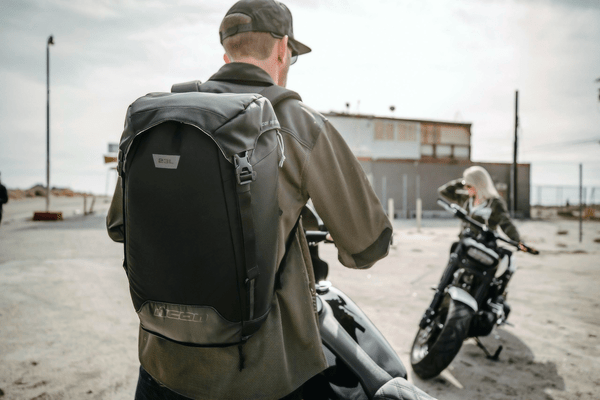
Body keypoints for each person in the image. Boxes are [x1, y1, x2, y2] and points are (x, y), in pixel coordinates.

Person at [106, 1, 392, 399]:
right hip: (263, 377)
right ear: (283, 49)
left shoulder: (162, 120)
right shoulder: (299, 123)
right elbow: (367, 245)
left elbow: (118, 227)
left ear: (227, 54)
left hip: (163, 365)